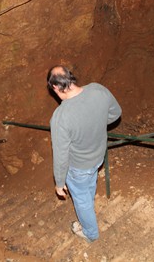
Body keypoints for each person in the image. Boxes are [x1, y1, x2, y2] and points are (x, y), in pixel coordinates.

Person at [47, 65, 122, 242]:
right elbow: (116, 113)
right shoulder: (98, 90)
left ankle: (90, 233)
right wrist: (96, 122)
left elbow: (61, 155)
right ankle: (89, 208)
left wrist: (59, 182)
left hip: (79, 166)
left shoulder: (60, 117)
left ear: (55, 87)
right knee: (89, 185)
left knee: (81, 200)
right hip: (98, 156)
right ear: (70, 77)